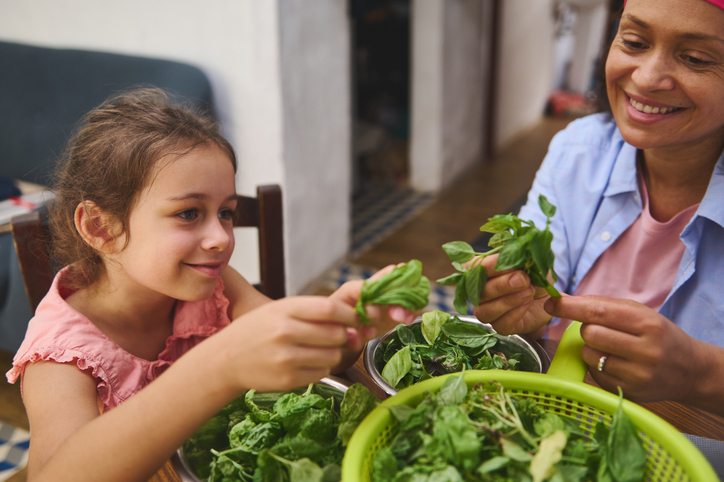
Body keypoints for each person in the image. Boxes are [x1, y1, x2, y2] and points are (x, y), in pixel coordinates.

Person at [5, 87, 414, 482]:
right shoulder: (59, 357)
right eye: (188, 213)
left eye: (227, 213)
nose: (220, 236)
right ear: (100, 227)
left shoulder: (212, 285)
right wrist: (219, 365)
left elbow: (302, 356)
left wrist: (344, 328)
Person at [470, 0, 724, 417]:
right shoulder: (579, 151)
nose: (645, 78)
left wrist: (700, 374)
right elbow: (522, 279)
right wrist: (513, 300)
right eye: (635, 41)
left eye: (694, 58)